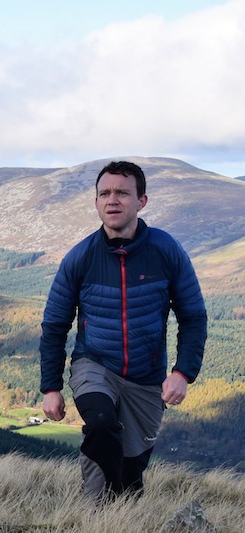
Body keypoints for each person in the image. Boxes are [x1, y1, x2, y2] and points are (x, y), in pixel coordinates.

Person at [39, 160, 207, 500]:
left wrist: (183, 373)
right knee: (100, 425)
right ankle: (98, 509)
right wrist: (50, 388)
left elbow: (193, 316)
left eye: (121, 193)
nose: (112, 200)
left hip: (146, 378)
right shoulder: (80, 258)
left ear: (141, 201)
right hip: (95, 365)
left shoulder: (165, 251)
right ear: (96, 202)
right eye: (104, 193)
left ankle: (123, 501)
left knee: (132, 473)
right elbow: (55, 326)